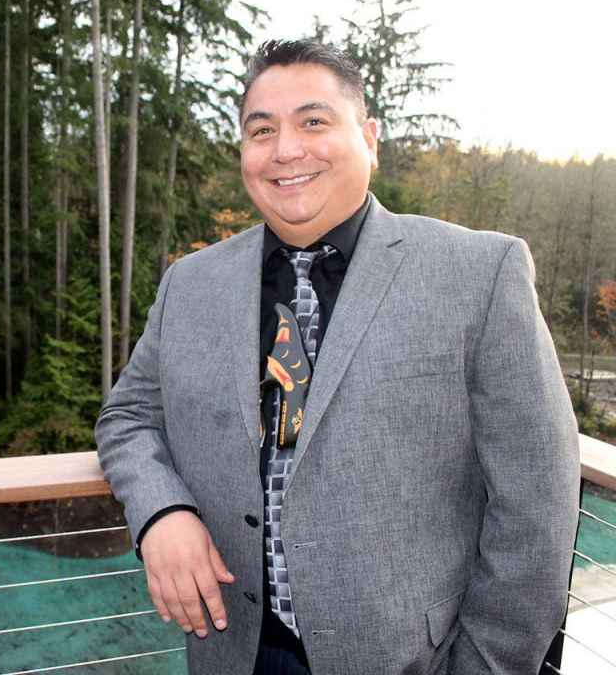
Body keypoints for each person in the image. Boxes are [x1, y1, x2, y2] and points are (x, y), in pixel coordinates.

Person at [95, 39, 579, 675]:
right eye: (261, 130)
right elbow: (127, 417)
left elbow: (537, 500)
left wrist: (486, 665)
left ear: (369, 138)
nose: (286, 149)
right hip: (234, 647)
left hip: (413, 658)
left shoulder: (479, 274)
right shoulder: (191, 284)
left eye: (313, 122)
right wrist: (161, 512)